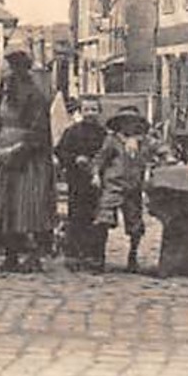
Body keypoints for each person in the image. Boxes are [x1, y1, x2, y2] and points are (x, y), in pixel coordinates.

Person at [0, 50, 56, 272]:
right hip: (1, 156)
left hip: (27, 161)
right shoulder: (0, 96)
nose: (2, 72)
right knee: (5, 205)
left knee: (27, 205)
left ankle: (33, 255)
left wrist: (16, 149)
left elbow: (39, 132)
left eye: (5, 68)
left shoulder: (34, 96)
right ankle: (10, 253)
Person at [93, 106, 154, 272]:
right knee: (103, 219)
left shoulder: (145, 142)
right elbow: (100, 159)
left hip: (133, 188)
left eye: (133, 122)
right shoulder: (113, 140)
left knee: (135, 224)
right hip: (113, 185)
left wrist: (167, 157)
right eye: (125, 122)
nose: (129, 125)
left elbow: (161, 150)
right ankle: (99, 257)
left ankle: (133, 255)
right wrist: (96, 175)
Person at [55, 98, 109, 271]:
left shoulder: (105, 134)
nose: (90, 114)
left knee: (98, 219)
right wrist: (74, 159)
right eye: (86, 110)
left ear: (99, 112)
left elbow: (110, 154)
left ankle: (95, 256)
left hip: (99, 182)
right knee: (77, 217)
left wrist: (98, 166)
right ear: (81, 112)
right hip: (77, 181)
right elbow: (60, 151)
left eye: (94, 110)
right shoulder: (72, 132)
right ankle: (75, 255)